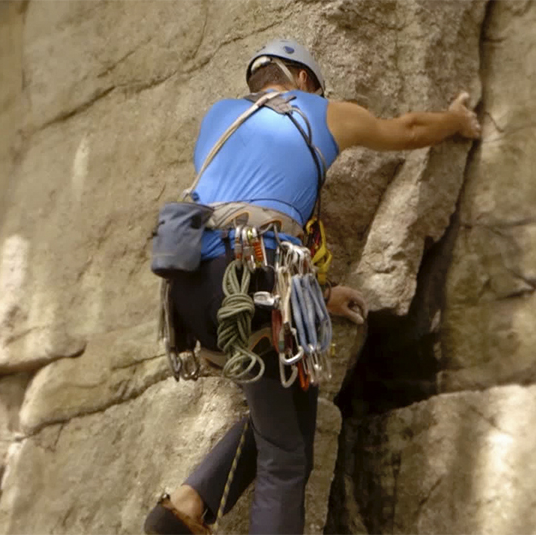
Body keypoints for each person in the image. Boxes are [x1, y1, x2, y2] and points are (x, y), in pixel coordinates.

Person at [143, 38, 481, 535]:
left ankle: (186, 507)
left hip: (192, 290)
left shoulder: (219, 118)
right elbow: (408, 128)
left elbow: (239, 213)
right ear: (303, 80)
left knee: (288, 418)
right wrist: (455, 120)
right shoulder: (322, 111)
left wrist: (320, 297)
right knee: (285, 457)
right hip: (253, 286)